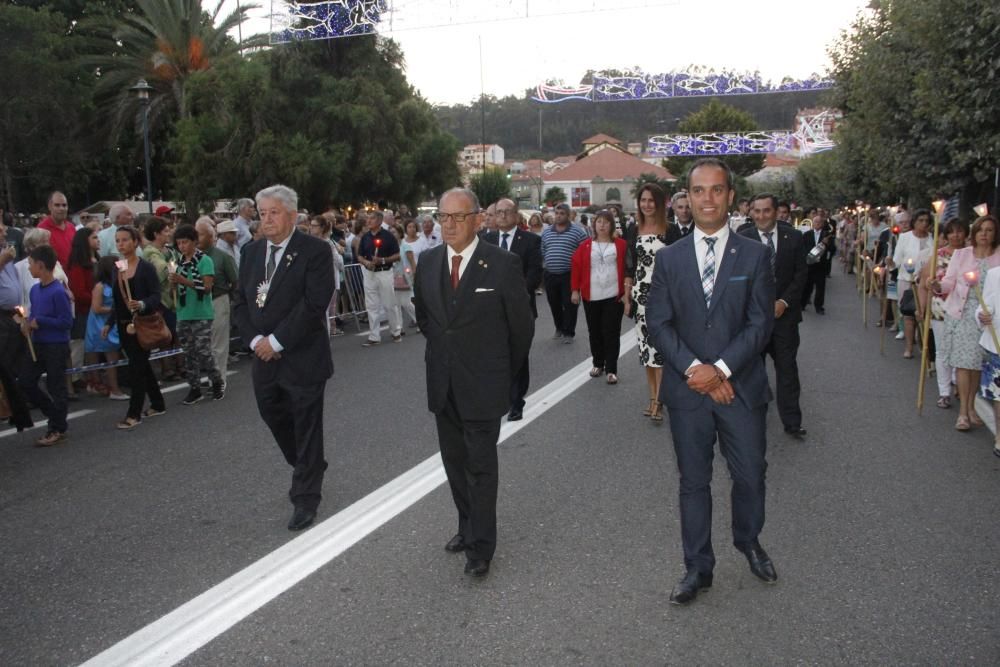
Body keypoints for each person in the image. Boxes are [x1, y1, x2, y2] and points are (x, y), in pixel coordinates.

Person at [645, 158, 776, 606]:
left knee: (751, 475)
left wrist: (719, 369)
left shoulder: (755, 255)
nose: (707, 199)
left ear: (730, 196)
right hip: (688, 392)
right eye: (698, 191)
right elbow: (658, 324)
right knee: (693, 482)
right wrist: (694, 371)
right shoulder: (669, 258)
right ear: (687, 196)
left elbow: (760, 325)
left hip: (740, 387)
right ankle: (697, 567)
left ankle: (747, 539)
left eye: (716, 190)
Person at [413, 188, 534, 578]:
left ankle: (481, 546)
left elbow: (521, 328)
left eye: (457, 217)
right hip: (442, 382)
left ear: (477, 219)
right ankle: (466, 526)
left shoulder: (502, 264)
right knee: (454, 462)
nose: (448, 224)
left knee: (480, 466)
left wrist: (500, 372)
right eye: (443, 216)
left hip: (484, 383)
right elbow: (427, 317)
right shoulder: (428, 262)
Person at [231, 185, 335, 531]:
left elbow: (313, 304)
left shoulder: (315, 251)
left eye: (275, 212)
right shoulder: (250, 252)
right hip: (263, 357)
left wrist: (277, 341)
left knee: (306, 425)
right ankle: (309, 464)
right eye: (263, 213)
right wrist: (256, 339)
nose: (268, 219)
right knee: (273, 414)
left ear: (292, 215)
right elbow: (241, 303)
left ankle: (305, 497)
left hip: (302, 356)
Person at [739, 193, 808, 438]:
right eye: (756, 211)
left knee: (787, 371)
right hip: (753, 321)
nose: (761, 216)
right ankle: (752, 417)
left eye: (766, 211)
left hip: (785, 319)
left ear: (776, 211)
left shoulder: (795, 237)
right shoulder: (742, 238)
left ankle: (792, 422)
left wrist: (784, 302)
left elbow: (801, 275)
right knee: (751, 371)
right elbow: (738, 279)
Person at [934, 215, 1000, 431]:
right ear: (975, 232)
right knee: (964, 363)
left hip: (987, 317)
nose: (984, 234)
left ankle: (971, 406)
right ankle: (963, 412)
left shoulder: (998, 258)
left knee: (977, 365)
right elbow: (949, 282)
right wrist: (936, 286)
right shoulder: (962, 254)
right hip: (961, 313)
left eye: (989, 230)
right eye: (981, 229)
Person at [624, 183, 681, 423]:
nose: (646, 205)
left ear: (660, 203)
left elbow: (680, 267)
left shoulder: (672, 230)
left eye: (651, 200)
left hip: (664, 296)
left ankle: (660, 399)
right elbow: (629, 264)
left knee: (661, 350)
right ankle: (653, 398)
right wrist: (627, 296)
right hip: (640, 297)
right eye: (643, 200)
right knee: (646, 351)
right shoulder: (633, 229)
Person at [482, 198, 543, 420]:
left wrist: (515, 296)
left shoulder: (530, 241)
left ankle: (517, 401)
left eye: (508, 212)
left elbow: (535, 273)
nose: (503, 216)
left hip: (520, 309)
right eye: (499, 212)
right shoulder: (485, 240)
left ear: (516, 215)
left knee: (518, 354)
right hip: (492, 310)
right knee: (497, 355)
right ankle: (502, 397)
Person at [108, 225, 167, 430]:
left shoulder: (146, 267)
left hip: (142, 324)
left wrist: (142, 304)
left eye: (125, 240)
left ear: (135, 242)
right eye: (118, 240)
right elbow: (116, 300)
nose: (121, 244)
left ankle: (134, 413)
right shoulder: (117, 268)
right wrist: (109, 323)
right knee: (141, 365)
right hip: (124, 325)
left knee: (136, 368)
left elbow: (156, 296)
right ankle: (158, 403)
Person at [18, 245, 73, 447]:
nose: (29, 268)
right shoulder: (34, 290)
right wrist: (27, 324)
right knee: (25, 381)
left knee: (56, 386)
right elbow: (33, 316)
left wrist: (40, 321)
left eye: (31, 264)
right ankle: (53, 413)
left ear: (41, 266)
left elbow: (66, 322)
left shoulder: (58, 291)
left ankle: (56, 427)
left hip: (56, 345)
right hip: (38, 343)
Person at [571, 210, 628, 384]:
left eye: (606, 222)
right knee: (594, 331)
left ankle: (611, 369)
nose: (602, 225)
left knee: (611, 331)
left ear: (612, 225)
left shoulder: (621, 245)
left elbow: (628, 269)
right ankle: (598, 363)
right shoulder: (585, 246)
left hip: (613, 295)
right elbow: (576, 267)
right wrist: (575, 290)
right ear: (594, 225)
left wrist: (627, 292)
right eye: (599, 222)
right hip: (591, 294)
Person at [169, 223, 224, 404]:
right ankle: (194, 387)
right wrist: (174, 285)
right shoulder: (179, 262)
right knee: (189, 353)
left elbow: (207, 288)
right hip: (184, 312)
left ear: (194, 242)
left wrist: (184, 281)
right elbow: (176, 290)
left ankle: (216, 380)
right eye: (179, 243)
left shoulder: (204, 260)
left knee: (203, 351)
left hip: (201, 312)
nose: (182, 246)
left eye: (185, 242)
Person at [917, 218, 967, 408]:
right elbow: (924, 283)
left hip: (964, 310)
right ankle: (944, 391)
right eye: (952, 231)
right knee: (943, 350)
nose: (956, 235)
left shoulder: (971, 255)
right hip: (941, 309)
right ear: (946, 235)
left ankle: (958, 383)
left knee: (960, 350)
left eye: (960, 231)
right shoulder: (937, 256)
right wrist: (922, 308)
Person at [196, 218, 239, 383]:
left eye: (200, 235)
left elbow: (235, 281)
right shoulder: (191, 257)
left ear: (211, 236)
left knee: (218, 344)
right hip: (198, 303)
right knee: (203, 343)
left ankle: (218, 379)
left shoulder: (222, 257)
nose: (196, 239)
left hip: (218, 300)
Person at [0, 221, 33, 431]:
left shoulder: (8, 255)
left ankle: (17, 410)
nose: (4, 232)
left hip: (13, 314)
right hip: (1, 316)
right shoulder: (5, 257)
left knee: (13, 364)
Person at [541, 203, 588, 342]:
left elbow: (585, 250)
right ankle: (559, 328)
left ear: (568, 215)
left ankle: (569, 332)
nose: (558, 216)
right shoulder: (547, 231)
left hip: (569, 274)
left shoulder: (578, 231)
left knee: (570, 304)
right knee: (553, 303)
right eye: (557, 213)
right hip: (550, 274)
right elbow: (543, 250)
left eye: (562, 213)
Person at [890, 209, 933, 358]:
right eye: (920, 220)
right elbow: (897, 259)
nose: (924, 224)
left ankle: (921, 341)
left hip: (924, 282)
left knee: (921, 313)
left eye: (927, 221)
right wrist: (889, 264)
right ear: (914, 222)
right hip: (906, 279)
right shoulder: (904, 237)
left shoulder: (932, 239)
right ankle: (908, 347)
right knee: (908, 314)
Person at [357, 211, 403, 346]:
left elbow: (397, 256)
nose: (368, 221)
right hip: (369, 273)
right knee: (371, 305)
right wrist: (366, 263)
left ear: (379, 221)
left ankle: (396, 331)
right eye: (368, 218)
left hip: (384, 272)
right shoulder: (365, 237)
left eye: (371, 218)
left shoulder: (388, 236)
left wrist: (382, 260)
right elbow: (359, 255)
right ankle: (374, 336)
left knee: (389, 304)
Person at [84, 256, 127, 400]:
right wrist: (116, 310)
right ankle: (113, 389)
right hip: (100, 324)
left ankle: (109, 386)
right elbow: (96, 307)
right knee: (110, 356)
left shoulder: (116, 283)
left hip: (111, 322)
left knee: (113, 357)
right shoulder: (100, 286)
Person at [66, 227, 99, 393]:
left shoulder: (97, 260)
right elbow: (79, 292)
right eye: (94, 237)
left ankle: (93, 375)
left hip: (97, 309)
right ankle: (76, 376)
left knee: (93, 344)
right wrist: (97, 300)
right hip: (85, 311)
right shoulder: (78, 266)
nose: (97, 240)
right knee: (80, 343)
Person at [975, 264, 1000, 458]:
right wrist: (982, 315)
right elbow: (986, 305)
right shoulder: (994, 274)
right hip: (997, 342)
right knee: (999, 394)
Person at [308, 215, 344, 336]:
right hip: (313, 281)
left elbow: (338, 261)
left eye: (314, 226)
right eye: (311, 225)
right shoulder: (309, 242)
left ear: (322, 228)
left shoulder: (328, 243)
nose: (311, 228)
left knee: (328, 309)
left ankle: (327, 335)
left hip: (328, 280)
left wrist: (340, 268)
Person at [801, 208, 835, 314]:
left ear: (823, 223)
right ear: (812, 223)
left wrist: (826, 245)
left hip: (821, 265)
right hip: (809, 264)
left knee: (820, 287)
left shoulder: (827, 235)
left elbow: (833, 249)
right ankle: (802, 303)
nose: (817, 223)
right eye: (815, 221)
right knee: (807, 286)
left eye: (820, 222)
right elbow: (803, 248)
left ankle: (819, 307)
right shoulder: (807, 234)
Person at [37, 192, 77, 270]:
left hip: (73, 277)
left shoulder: (71, 227)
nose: (61, 208)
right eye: (57, 205)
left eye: (64, 205)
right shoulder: (41, 229)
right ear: (49, 206)